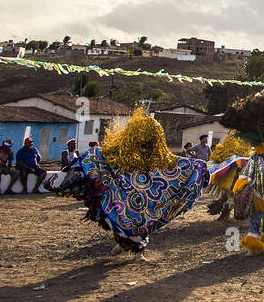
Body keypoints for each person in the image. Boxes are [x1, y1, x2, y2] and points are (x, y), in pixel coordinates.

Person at [48, 107, 207, 254]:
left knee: (138, 219)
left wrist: (199, 166)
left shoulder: (154, 163)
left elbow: (175, 163)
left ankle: (133, 246)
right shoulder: (123, 160)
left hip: (140, 201)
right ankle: (127, 244)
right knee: (130, 218)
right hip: (131, 202)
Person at [207, 90, 264, 255]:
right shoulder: (255, 160)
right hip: (256, 195)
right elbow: (245, 175)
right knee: (255, 222)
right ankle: (253, 245)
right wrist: (241, 187)